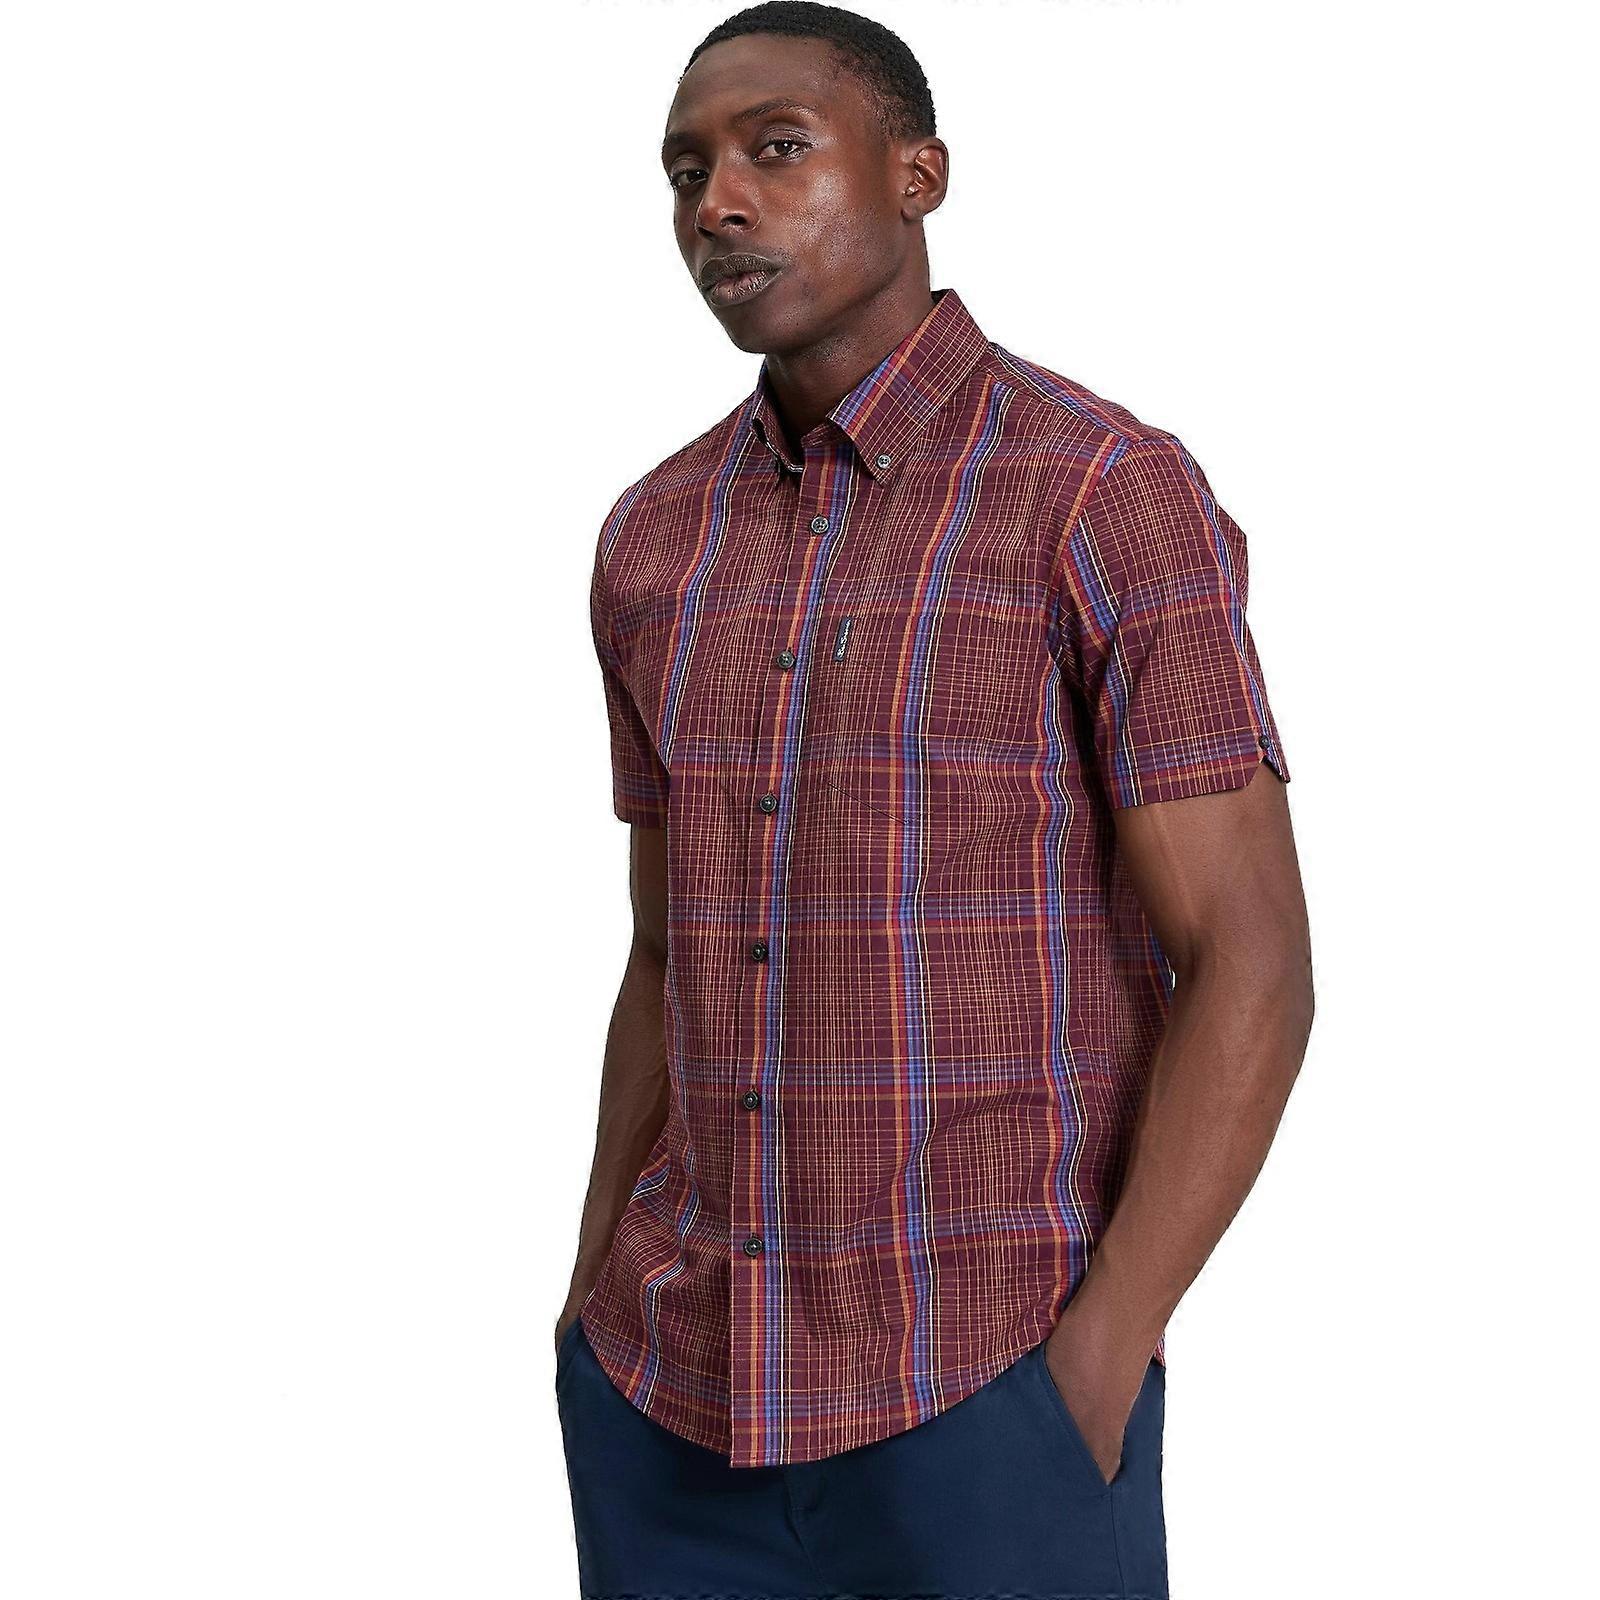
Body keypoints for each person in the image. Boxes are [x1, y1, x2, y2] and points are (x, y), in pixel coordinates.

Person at [554, 5, 1314, 1596]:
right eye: (685, 171)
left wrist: (1094, 1365)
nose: (717, 204)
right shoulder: (651, 538)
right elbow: (665, 950)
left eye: (775, 150)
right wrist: (586, 1291)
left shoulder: (1103, 491)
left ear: (919, 174)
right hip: (668, 1402)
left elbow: (1250, 961)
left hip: (986, 1401)